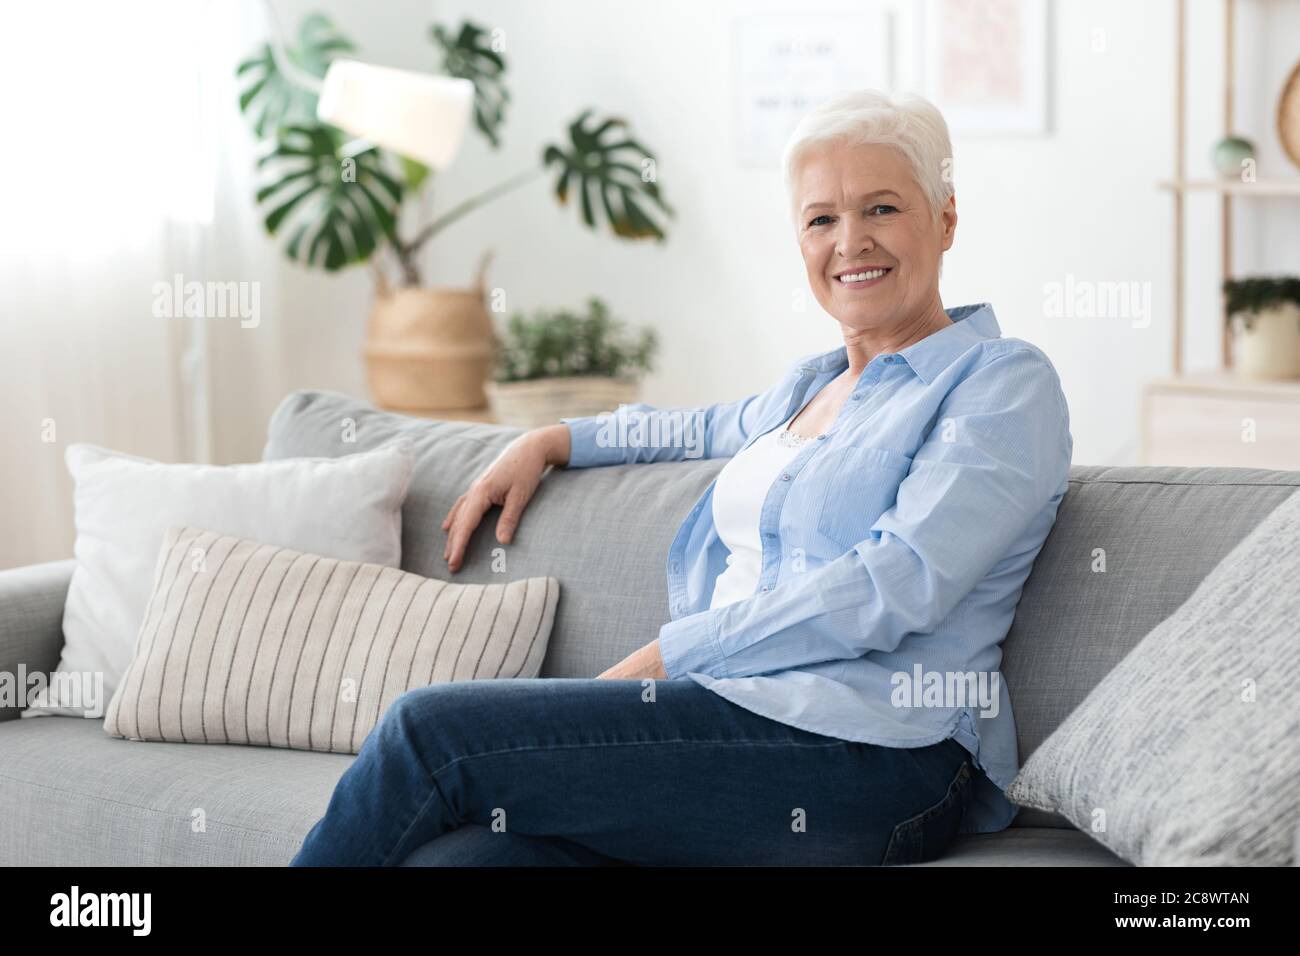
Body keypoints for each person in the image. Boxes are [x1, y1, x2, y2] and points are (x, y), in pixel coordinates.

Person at [290, 88, 1073, 867]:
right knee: (465, 862)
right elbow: (690, 428)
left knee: (430, 733)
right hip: (726, 721)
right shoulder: (807, 391)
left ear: (945, 219)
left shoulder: (999, 383)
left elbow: (894, 585)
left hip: (878, 755)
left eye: (882, 209)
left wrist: (674, 655)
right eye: (821, 219)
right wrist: (551, 439)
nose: (850, 242)